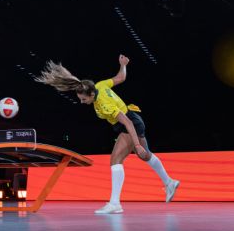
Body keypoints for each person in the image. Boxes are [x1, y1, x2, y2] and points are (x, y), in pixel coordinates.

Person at [35, 54, 179, 214]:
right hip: (134, 119)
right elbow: (120, 78)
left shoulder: (103, 104)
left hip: (129, 124)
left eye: (83, 99)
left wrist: (136, 144)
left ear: (91, 95)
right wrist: (123, 64)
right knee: (145, 156)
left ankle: (115, 203)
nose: (82, 103)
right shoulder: (100, 85)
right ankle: (169, 182)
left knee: (116, 159)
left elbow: (127, 123)